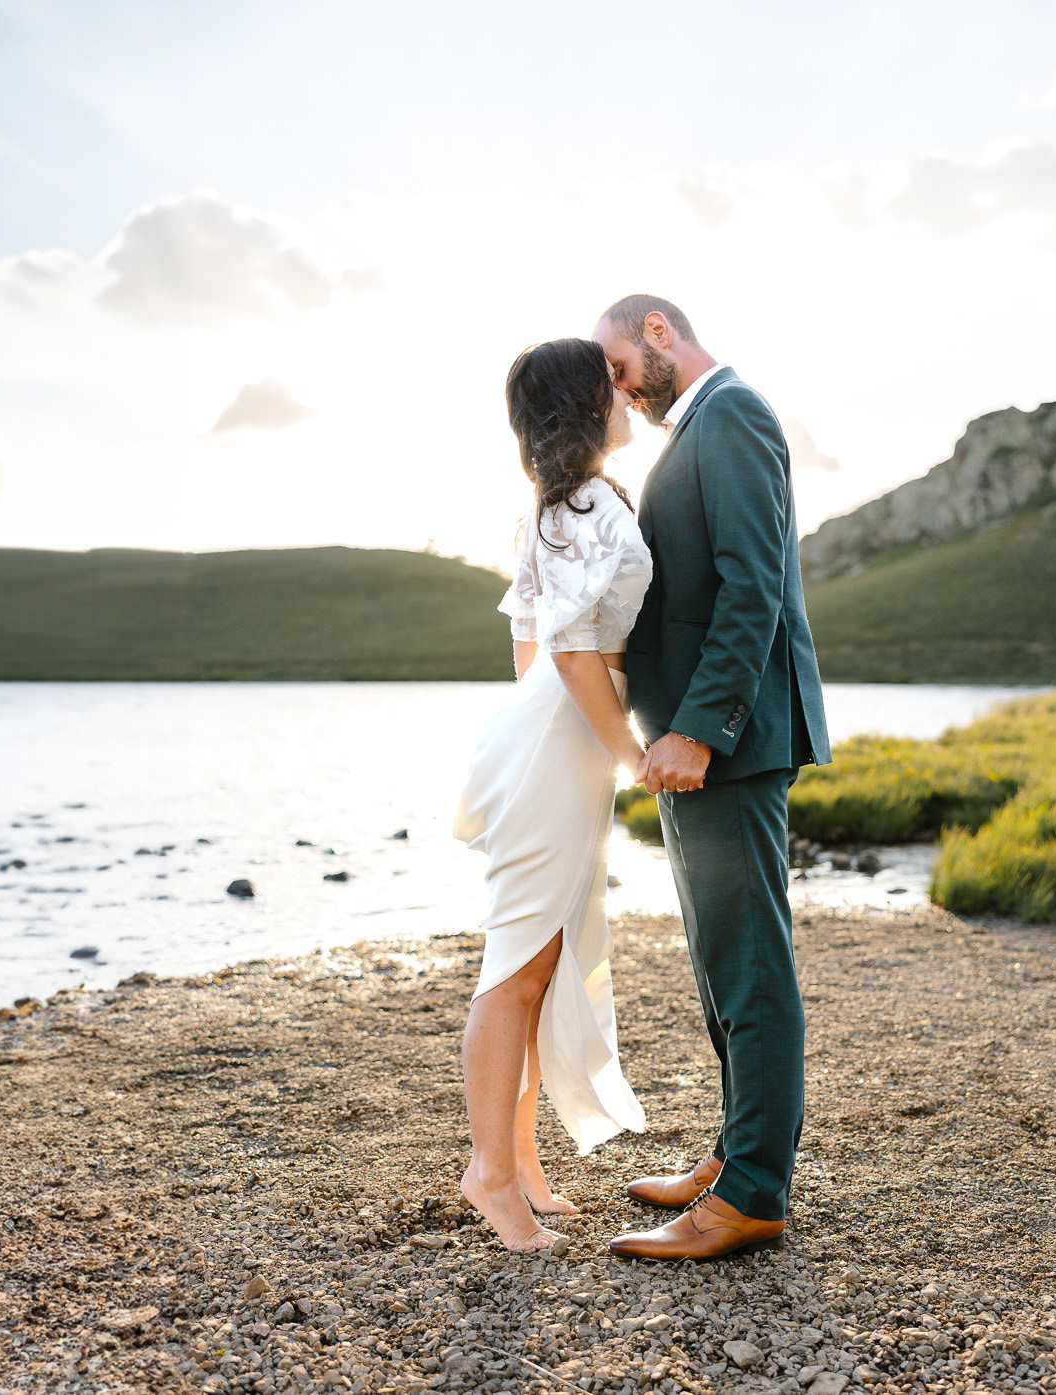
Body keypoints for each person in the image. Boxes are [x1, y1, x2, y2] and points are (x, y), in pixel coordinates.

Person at [592, 294, 830, 1262]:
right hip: (694, 746)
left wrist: (700, 729)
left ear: (658, 330)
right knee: (718, 963)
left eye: (615, 365)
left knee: (750, 965)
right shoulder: (692, 433)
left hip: (726, 742)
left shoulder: (733, 414)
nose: (615, 389)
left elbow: (752, 583)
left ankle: (754, 1196)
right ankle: (737, 1159)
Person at [452, 337, 652, 1251]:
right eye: (609, 381)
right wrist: (634, 754)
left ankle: (520, 1162)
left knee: (542, 960)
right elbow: (569, 653)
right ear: (585, 401)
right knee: (518, 966)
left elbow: (530, 646)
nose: (626, 393)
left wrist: (569, 737)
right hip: (562, 742)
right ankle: (490, 1174)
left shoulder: (560, 507)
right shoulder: (589, 509)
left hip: (551, 739)